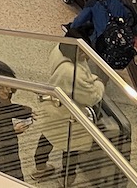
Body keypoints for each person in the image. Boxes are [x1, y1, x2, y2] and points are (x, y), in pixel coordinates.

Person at [32, 41, 104, 181]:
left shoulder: (58, 50)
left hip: (52, 106)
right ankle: (68, 179)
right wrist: (98, 83)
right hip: (69, 115)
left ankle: (40, 169)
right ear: (81, 52)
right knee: (70, 149)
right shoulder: (73, 73)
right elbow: (91, 97)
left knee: (47, 137)